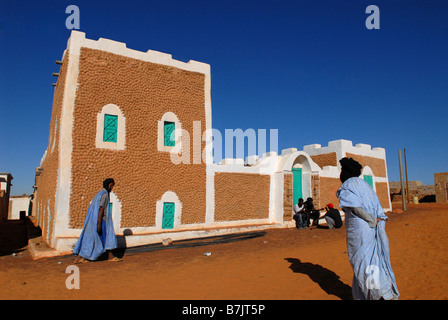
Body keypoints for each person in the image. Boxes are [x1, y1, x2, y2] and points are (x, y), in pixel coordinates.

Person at [337, 157, 399, 300]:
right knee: (371, 259)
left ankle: (378, 295)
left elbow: (355, 207)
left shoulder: (347, 185)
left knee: (364, 263)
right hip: (372, 228)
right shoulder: (366, 185)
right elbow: (378, 207)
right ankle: (363, 295)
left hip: (360, 229)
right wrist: (377, 219)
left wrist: (370, 220)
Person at [73, 178, 121, 263]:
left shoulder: (99, 193)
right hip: (102, 221)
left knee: (95, 239)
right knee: (105, 237)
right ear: (109, 185)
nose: (112, 188)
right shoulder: (105, 194)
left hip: (95, 221)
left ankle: (109, 256)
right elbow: (101, 209)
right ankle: (109, 256)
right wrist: (99, 224)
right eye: (112, 186)